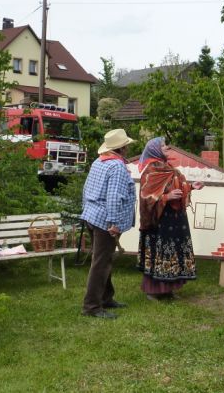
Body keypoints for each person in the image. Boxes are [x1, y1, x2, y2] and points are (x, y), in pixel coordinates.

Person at [137, 137, 203, 300]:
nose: (167, 147)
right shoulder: (151, 170)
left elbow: (177, 186)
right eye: (163, 146)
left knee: (172, 253)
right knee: (160, 253)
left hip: (175, 219)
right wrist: (166, 197)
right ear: (155, 150)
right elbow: (146, 197)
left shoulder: (168, 167)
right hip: (160, 221)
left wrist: (190, 187)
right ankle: (153, 290)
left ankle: (168, 289)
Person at [81, 129, 136, 319]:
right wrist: (113, 223)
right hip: (105, 221)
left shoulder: (100, 161)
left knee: (104, 259)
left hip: (92, 216)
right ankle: (92, 307)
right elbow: (113, 197)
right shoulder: (117, 167)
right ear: (121, 148)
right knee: (101, 263)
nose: (128, 147)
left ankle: (106, 298)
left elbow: (86, 188)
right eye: (126, 145)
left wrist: (87, 211)